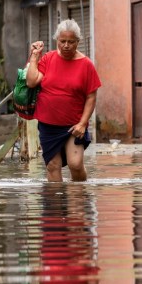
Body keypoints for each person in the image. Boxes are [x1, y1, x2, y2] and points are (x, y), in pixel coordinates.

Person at [26, 19, 101, 182]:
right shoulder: (48, 58)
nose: (66, 45)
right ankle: (56, 206)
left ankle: (79, 201)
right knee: (53, 165)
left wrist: (83, 123)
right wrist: (34, 57)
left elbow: (91, 96)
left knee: (76, 164)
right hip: (48, 124)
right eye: (62, 41)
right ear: (57, 40)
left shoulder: (86, 65)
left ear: (78, 42)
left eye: (71, 42)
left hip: (74, 125)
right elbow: (31, 82)